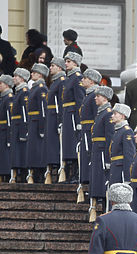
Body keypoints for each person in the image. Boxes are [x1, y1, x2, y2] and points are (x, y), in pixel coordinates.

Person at [88, 86, 115, 222]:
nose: (95, 98)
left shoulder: (108, 113)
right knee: (97, 181)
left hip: (102, 152)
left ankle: (105, 209)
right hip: (97, 151)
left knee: (102, 182)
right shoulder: (101, 113)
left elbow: (109, 137)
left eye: (98, 96)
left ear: (105, 98)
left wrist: (108, 158)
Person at [61, 51, 85, 184]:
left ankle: (75, 174)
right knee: (68, 145)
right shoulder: (69, 77)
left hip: (72, 115)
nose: (66, 63)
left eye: (69, 61)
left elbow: (80, 100)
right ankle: (70, 174)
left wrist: (78, 120)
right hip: (67, 114)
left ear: (75, 63)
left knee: (73, 145)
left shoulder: (77, 78)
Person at [44, 57, 66, 182]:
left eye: (53, 65)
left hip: (55, 116)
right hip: (51, 115)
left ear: (59, 67)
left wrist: (60, 120)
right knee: (51, 144)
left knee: (55, 145)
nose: (50, 67)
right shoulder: (55, 81)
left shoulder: (61, 81)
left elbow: (61, 102)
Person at [25, 63, 49, 183]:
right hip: (32, 122)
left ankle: (39, 173)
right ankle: (35, 173)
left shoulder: (41, 88)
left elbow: (43, 110)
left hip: (37, 122)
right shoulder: (35, 88)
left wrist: (42, 128)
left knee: (38, 150)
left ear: (40, 74)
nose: (32, 74)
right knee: (33, 150)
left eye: (34, 72)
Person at [78, 68, 102, 186]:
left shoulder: (94, 96)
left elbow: (96, 115)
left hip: (90, 130)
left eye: (85, 78)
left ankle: (87, 178)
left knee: (88, 154)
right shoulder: (88, 95)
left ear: (92, 81)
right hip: (85, 129)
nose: (82, 80)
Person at [10, 68, 30, 183]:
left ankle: (22, 173)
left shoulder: (24, 92)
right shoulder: (19, 91)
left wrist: (24, 130)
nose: (14, 78)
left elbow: (24, 112)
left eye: (16, 76)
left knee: (21, 151)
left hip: (20, 126)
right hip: (16, 125)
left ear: (22, 78)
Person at [0, 74, 14, 182]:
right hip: (1, 131)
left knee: (5, 154)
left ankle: (7, 175)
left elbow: (10, 119)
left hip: (5, 130)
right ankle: (2, 174)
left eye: (0, 83)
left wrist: (9, 136)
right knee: (1, 154)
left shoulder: (9, 98)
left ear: (6, 85)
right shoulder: (3, 98)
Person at [108, 103, 135, 184]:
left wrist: (127, 177)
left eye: (115, 113)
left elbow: (129, 155)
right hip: (115, 169)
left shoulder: (126, 131)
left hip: (120, 171)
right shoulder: (118, 131)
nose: (112, 116)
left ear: (122, 116)